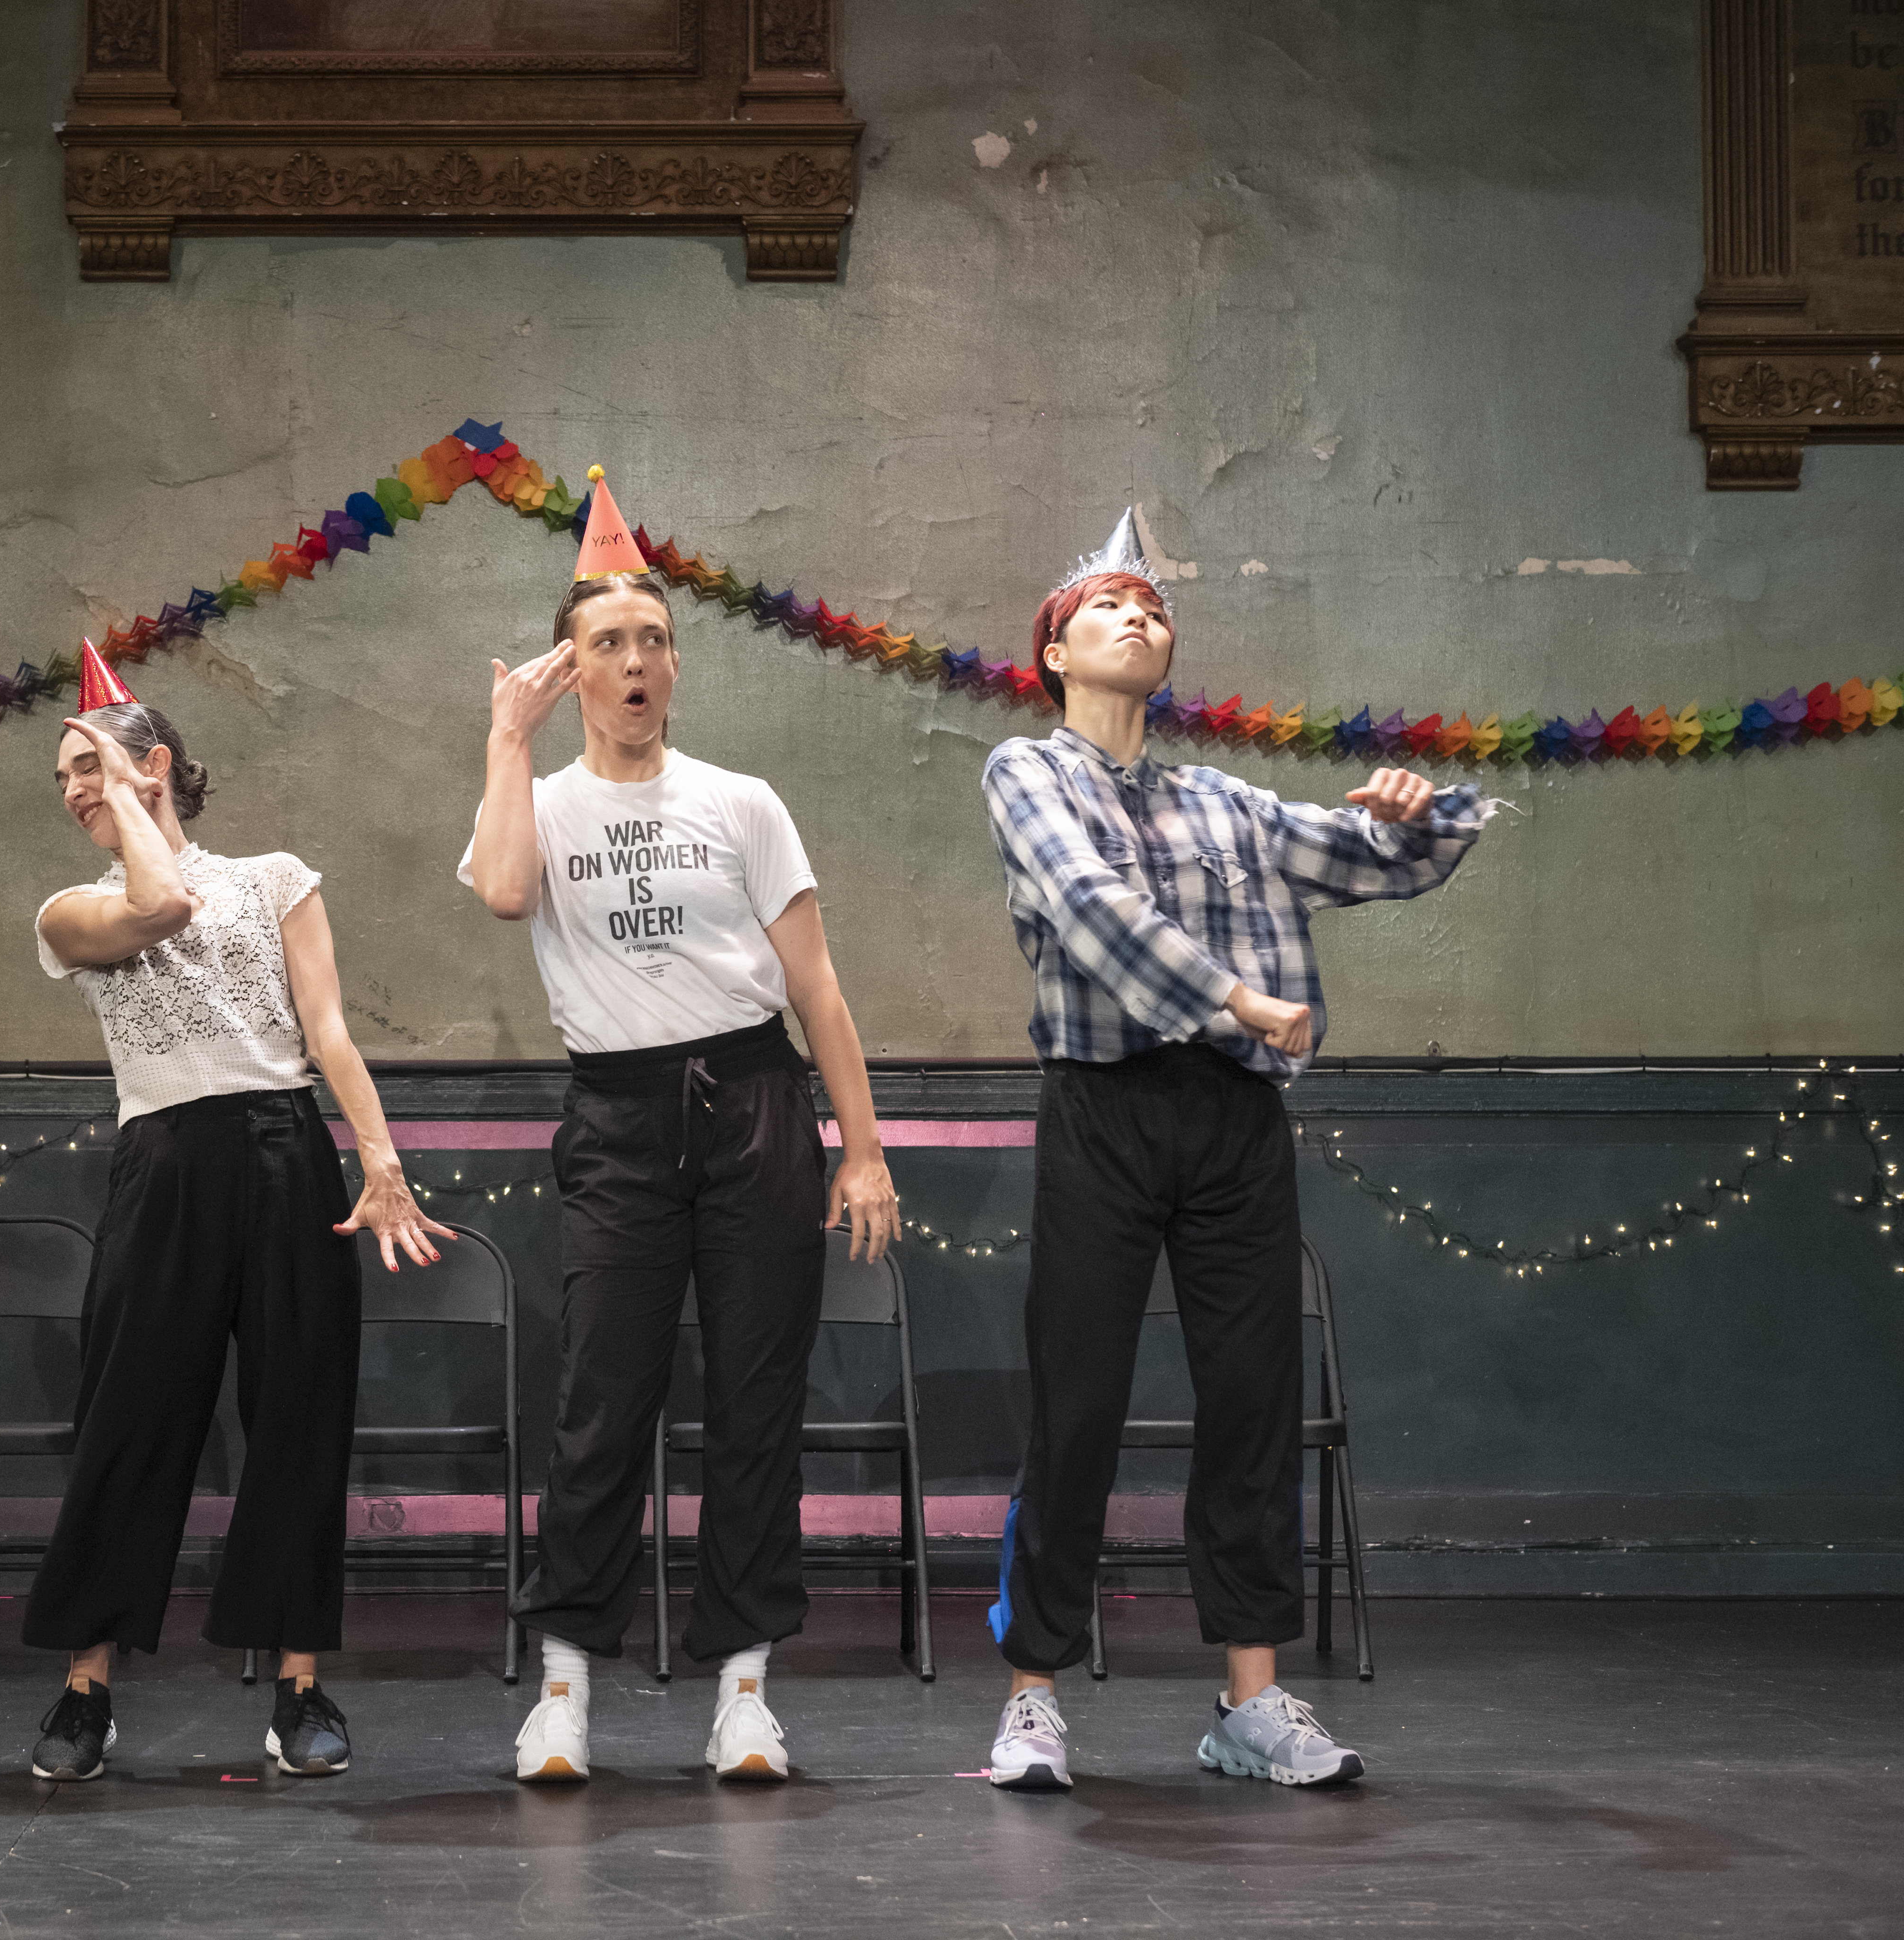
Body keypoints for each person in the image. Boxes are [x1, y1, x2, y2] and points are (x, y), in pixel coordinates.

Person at [977, 510, 1489, 1792]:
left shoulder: (1228, 800)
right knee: (1076, 1399)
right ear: (1056, 651)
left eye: (1154, 607)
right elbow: (1093, 910)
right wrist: (1238, 1001)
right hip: (1104, 1107)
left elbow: (1370, 857)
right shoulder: (1025, 773)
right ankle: (1034, 1695)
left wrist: (1417, 813)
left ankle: (1252, 1705)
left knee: (1252, 1402)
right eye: (1109, 606)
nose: (1140, 618)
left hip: (1234, 1121)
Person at [461, 469, 901, 1785]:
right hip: (618, 1119)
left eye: (655, 639)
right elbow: (496, 896)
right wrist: (503, 739)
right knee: (602, 1403)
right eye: (609, 643)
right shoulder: (537, 806)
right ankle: (564, 1691)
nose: (639, 659)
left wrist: (864, 1150)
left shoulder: (742, 802)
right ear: (570, 669)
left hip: (756, 1104)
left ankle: (746, 1693)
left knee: (758, 1408)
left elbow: (817, 986)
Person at [22, 644, 453, 1784]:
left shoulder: (275, 878)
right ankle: (86, 1692)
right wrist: (128, 806)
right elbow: (160, 905)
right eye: (62, 776)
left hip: (282, 1155)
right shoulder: (73, 910)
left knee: (301, 1420)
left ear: (153, 764)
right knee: (132, 1421)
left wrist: (381, 1161)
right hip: (164, 1162)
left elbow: (330, 1035)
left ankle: (302, 1690)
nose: (71, 790)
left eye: (88, 766)